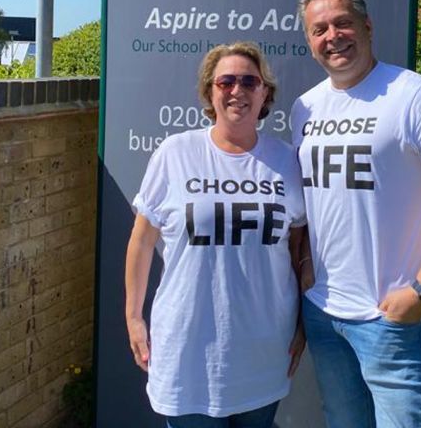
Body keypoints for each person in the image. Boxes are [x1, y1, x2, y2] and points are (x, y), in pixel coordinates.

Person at [290, 0, 421, 428]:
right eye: (319, 29)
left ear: (367, 25)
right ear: (309, 41)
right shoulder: (305, 108)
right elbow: (308, 200)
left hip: (391, 319)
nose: (332, 36)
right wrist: (304, 263)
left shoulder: (416, 97)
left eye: (342, 23)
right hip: (323, 312)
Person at [125, 42, 308, 428]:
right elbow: (141, 242)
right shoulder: (175, 153)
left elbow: (299, 249)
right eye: (225, 82)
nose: (237, 90)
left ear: (265, 93)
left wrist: (304, 321)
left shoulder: (287, 161)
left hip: (263, 352)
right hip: (187, 355)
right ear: (210, 92)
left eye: (248, 81)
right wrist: (133, 318)